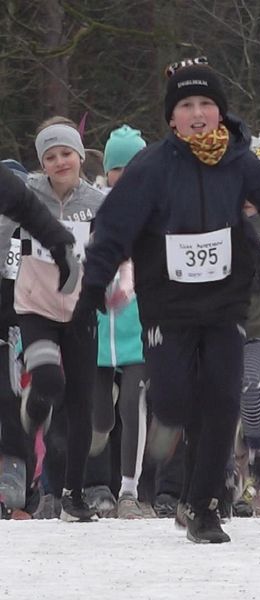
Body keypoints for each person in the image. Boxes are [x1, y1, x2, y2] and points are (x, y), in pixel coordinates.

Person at [74, 57, 260, 543]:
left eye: (206, 103)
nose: (197, 113)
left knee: (223, 397)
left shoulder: (239, 160)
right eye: (186, 105)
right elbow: (113, 227)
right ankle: (178, 430)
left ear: (220, 113)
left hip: (226, 301)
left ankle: (202, 506)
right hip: (168, 303)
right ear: (171, 117)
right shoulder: (151, 167)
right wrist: (95, 284)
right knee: (176, 400)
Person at [0, 118, 105, 522]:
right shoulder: (27, 196)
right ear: (42, 163)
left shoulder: (97, 204)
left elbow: (114, 251)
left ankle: (73, 494)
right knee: (47, 378)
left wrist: (116, 287)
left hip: (80, 311)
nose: (60, 162)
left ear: (80, 157)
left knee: (82, 405)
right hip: (35, 306)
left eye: (66, 154)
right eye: (50, 156)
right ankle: (37, 400)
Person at [0, 161, 78, 518]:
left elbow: (25, 204)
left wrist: (60, 243)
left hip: (18, 317)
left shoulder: (18, 212)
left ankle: (20, 483)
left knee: (12, 396)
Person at [89, 125, 150, 519]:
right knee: (100, 417)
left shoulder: (156, 212)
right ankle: (95, 483)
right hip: (96, 330)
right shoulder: (92, 209)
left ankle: (129, 490)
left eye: (133, 168)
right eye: (117, 169)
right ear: (107, 172)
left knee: (133, 405)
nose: (124, 177)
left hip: (137, 330)